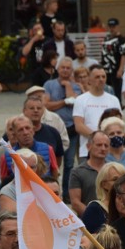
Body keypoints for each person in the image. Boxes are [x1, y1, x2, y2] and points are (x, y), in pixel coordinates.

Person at [44, 57, 82, 190]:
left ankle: (66, 192)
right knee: (53, 163)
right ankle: (53, 189)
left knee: (70, 163)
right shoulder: (49, 85)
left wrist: (67, 85)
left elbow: (74, 102)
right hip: (54, 130)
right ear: (57, 69)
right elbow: (47, 105)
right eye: (62, 67)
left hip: (71, 130)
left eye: (68, 68)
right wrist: (64, 102)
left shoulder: (76, 86)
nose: (65, 70)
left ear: (72, 70)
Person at [73, 65, 121, 161]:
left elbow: (119, 124)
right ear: (89, 80)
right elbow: (78, 125)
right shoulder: (81, 100)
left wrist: (106, 140)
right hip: (87, 151)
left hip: (111, 151)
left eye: (103, 77)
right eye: (97, 77)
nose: (101, 79)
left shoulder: (114, 100)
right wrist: (98, 138)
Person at [101, 18, 125, 99]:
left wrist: (121, 69)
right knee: (106, 91)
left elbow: (124, 54)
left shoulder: (121, 40)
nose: (112, 29)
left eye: (114, 26)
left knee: (116, 91)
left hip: (115, 69)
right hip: (106, 69)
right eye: (110, 27)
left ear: (118, 27)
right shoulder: (106, 38)